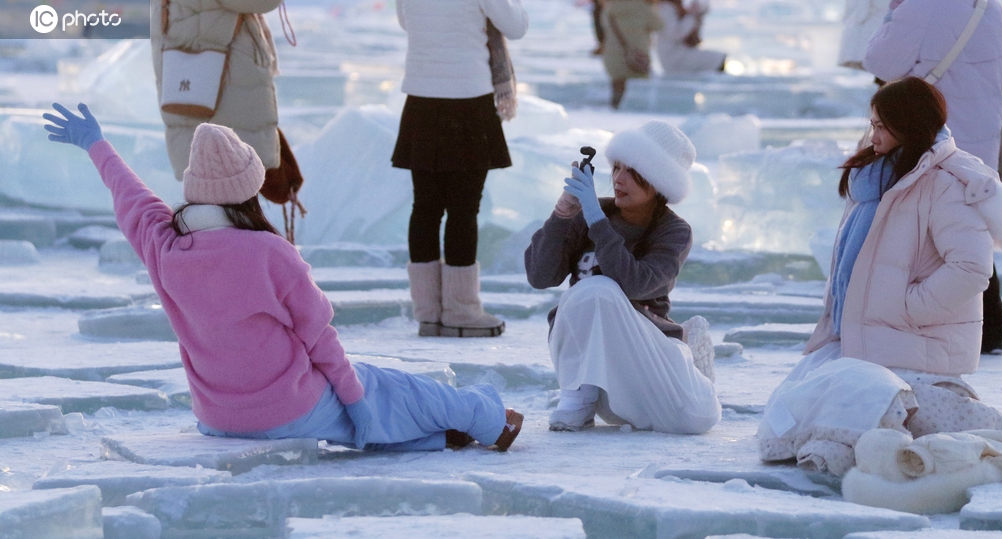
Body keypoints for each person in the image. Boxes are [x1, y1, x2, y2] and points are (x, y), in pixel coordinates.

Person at [42, 103, 523, 453]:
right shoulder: (268, 252)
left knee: (380, 405)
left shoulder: (165, 246)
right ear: (247, 194)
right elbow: (320, 339)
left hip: (217, 418)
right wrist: (358, 402)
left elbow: (132, 199)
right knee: (389, 389)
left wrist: (96, 145)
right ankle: (491, 418)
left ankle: (443, 437)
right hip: (289, 409)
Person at [758, 78, 1002, 477]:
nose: (873, 133)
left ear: (909, 125)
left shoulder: (942, 184)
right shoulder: (876, 178)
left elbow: (971, 268)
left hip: (914, 345)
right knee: (785, 424)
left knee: (852, 419)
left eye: (882, 125)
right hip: (863, 341)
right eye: (872, 123)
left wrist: (906, 308)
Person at [524, 121, 720, 434]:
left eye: (633, 172)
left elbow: (635, 283)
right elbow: (539, 276)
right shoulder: (591, 211)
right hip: (581, 356)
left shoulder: (674, 231)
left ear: (657, 183)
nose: (618, 179)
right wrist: (562, 216)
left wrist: (596, 221)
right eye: (617, 167)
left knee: (694, 419)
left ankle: (693, 368)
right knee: (591, 291)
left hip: (642, 349)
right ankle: (578, 397)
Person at [863, 0, 1002, 354]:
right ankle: (989, 329)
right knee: (969, 236)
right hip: (978, 143)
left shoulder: (918, 8)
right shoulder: (993, 9)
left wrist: (892, 13)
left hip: (929, 142)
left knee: (919, 238)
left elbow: (879, 62)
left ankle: (945, 328)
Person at [392, 0, 529, 338]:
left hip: (422, 100)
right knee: (463, 210)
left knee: (425, 208)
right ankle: (461, 310)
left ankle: (428, 312)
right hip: (468, 99)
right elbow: (517, 25)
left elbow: (406, 22)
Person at [151, 0, 305, 241]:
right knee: (234, 207)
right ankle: (240, 268)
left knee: (218, 205)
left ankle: (220, 266)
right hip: (222, 95)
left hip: (209, 88)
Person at [601, 0, 663, 109]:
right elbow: (658, 25)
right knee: (638, 89)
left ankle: (615, 109)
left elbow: (604, 25)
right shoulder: (644, 7)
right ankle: (635, 113)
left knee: (618, 84)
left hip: (612, 54)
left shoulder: (610, 6)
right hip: (637, 54)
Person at [655, 0, 726, 75]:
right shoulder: (666, 8)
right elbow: (675, 33)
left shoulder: (674, 8)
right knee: (716, 59)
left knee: (716, 59)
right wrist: (691, 16)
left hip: (679, 53)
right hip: (673, 57)